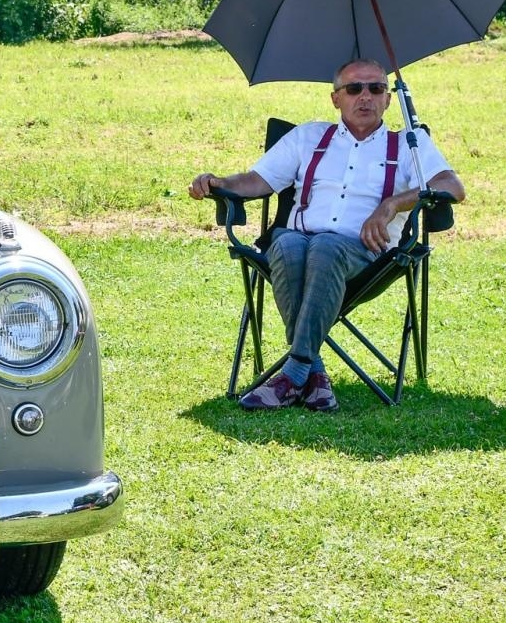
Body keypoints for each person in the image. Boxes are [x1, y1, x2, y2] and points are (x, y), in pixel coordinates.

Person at [188, 58, 466, 411]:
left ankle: (293, 374)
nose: (365, 97)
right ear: (336, 98)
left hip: (368, 255)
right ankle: (311, 373)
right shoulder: (308, 136)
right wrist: (218, 182)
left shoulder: (409, 144)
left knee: (326, 246)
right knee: (286, 241)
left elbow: (452, 186)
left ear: (388, 99)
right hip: (299, 245)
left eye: (376, 88)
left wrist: (392, 204)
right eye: (354, 89)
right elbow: (257, 181)